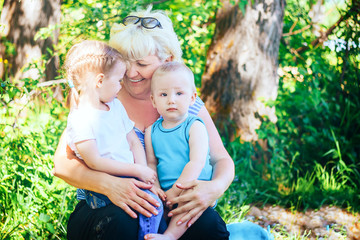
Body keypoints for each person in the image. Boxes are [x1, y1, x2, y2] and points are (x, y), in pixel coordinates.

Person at [53, 6, 272, 240]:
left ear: (167, 59)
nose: (130, 71)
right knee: (124, 220)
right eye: (125, 61)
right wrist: (109, 185)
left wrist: (213, 189)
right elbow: (62, 164)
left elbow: (220, 159)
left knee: (208, 224)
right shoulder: (103, 99)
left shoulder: (185, 102)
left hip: (168, 209)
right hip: (108, 210)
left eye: (141, 64)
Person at [63, 40, 163, 240]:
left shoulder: (115, 107)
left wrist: (143, 174)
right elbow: (94, 161)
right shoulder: (81, 118)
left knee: (154, 205)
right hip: (103, 189)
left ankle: (151, 234)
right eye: (118, 80)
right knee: (126, 218)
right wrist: (135, 170)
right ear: (100, 81)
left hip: (130, 177)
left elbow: (134, 141)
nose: (121, 85)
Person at [144, 62, 229, 240]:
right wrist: (156, 189)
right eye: (163, 94)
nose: (171, 100)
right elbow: (151, 163)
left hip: (192, 187)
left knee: (188, 204)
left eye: (179, 93)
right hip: (165, 193)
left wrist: (174, 192)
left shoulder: (194, 126)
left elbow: (196, 162)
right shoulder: (151, 131)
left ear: (192, 98)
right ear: (153, 100)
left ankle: (170, 236)